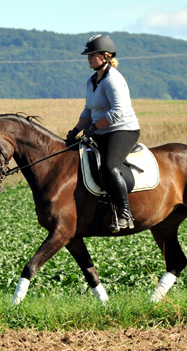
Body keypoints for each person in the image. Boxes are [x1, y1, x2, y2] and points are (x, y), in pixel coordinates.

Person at [66, 34, 141, 231]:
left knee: (108, 165)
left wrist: (93, 128)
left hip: (122, 130)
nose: (89, 58)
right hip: (101, 130)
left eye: (93, 54)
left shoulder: (113, 80)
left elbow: (117, 112)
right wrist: (76, 130)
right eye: (88, 55)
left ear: (106, 56)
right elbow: (88, 111)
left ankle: (125, 213)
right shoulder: (92, 81)